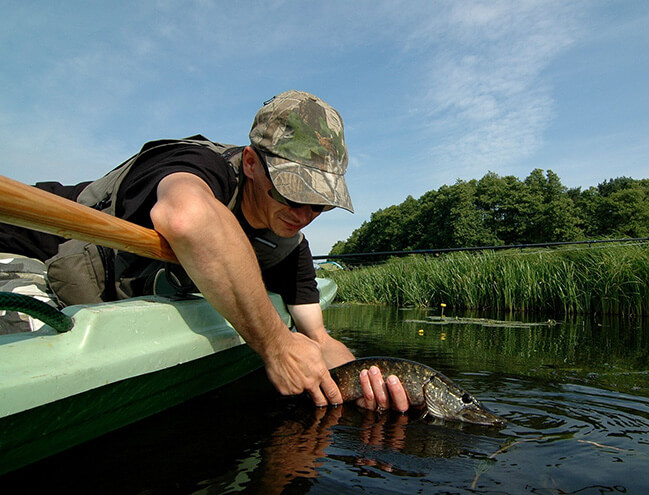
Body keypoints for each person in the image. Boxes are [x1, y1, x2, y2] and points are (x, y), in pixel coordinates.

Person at [0, 90, 407, 412]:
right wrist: (277, 345)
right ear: (250, 162)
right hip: (27, 247)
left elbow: (318, 336)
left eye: (319, 203)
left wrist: (374, 381)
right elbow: (187, 218)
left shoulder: (290, 246)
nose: (304, 214)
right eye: (292, 191)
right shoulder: (195, 165)